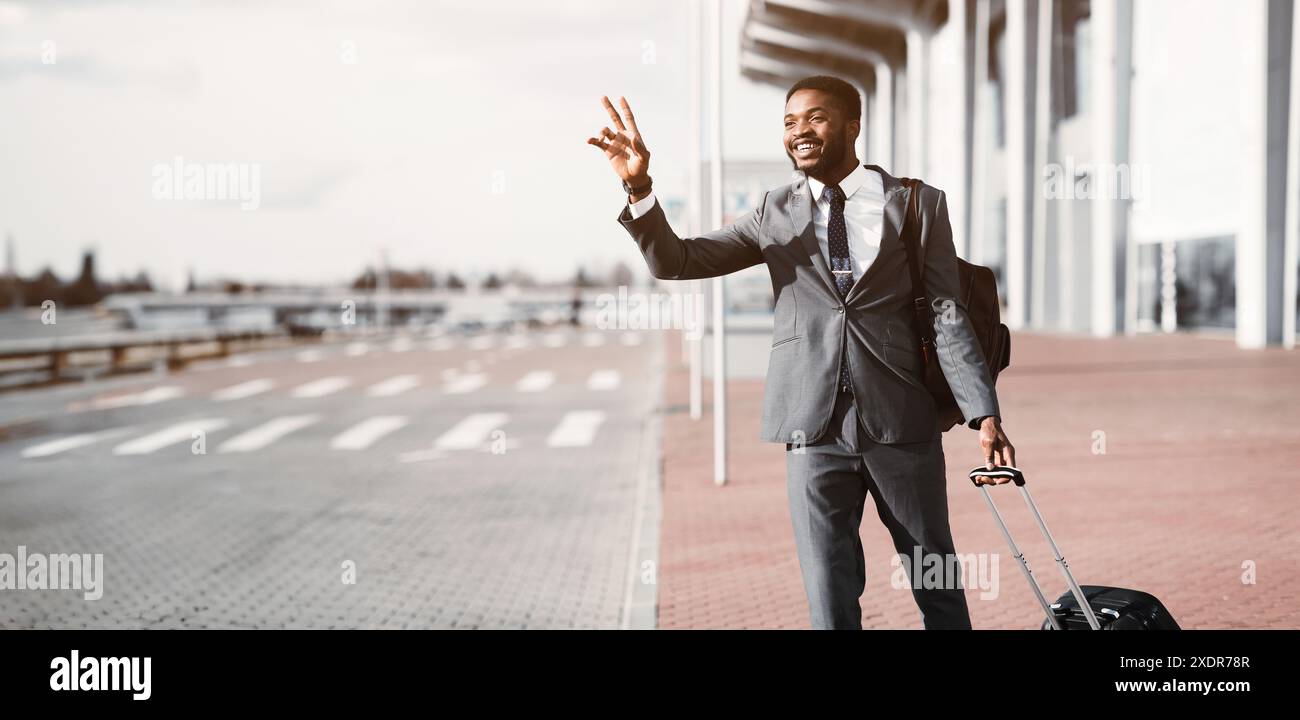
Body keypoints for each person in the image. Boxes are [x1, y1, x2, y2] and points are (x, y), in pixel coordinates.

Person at [587, 75, 1016, 630]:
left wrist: (983, 412)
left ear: (852, 126)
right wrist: (639, 189)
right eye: (789, 122)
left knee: (937, 580)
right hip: (813, 433)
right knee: (829, 597)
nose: (799, 132)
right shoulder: (775, 212)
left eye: (815, 118)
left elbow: (947, 312)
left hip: (902, 428)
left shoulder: (916, 204)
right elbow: (679, 261)